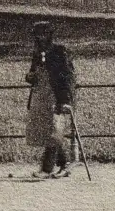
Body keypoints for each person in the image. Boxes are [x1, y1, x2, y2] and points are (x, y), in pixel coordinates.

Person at [24, 20, 77, 178]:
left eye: (44, 34)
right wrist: (30, 77)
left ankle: (47, 168)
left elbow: (67, 76)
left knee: (53, 130)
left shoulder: (59, 51)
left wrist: (66, 100)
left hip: (56, 95)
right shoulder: (37, 53)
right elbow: (31, 73)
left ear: (49, 35)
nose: (40, 37)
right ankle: (64, 163)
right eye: (38, 34)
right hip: (41, 96)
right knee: (50, 131)